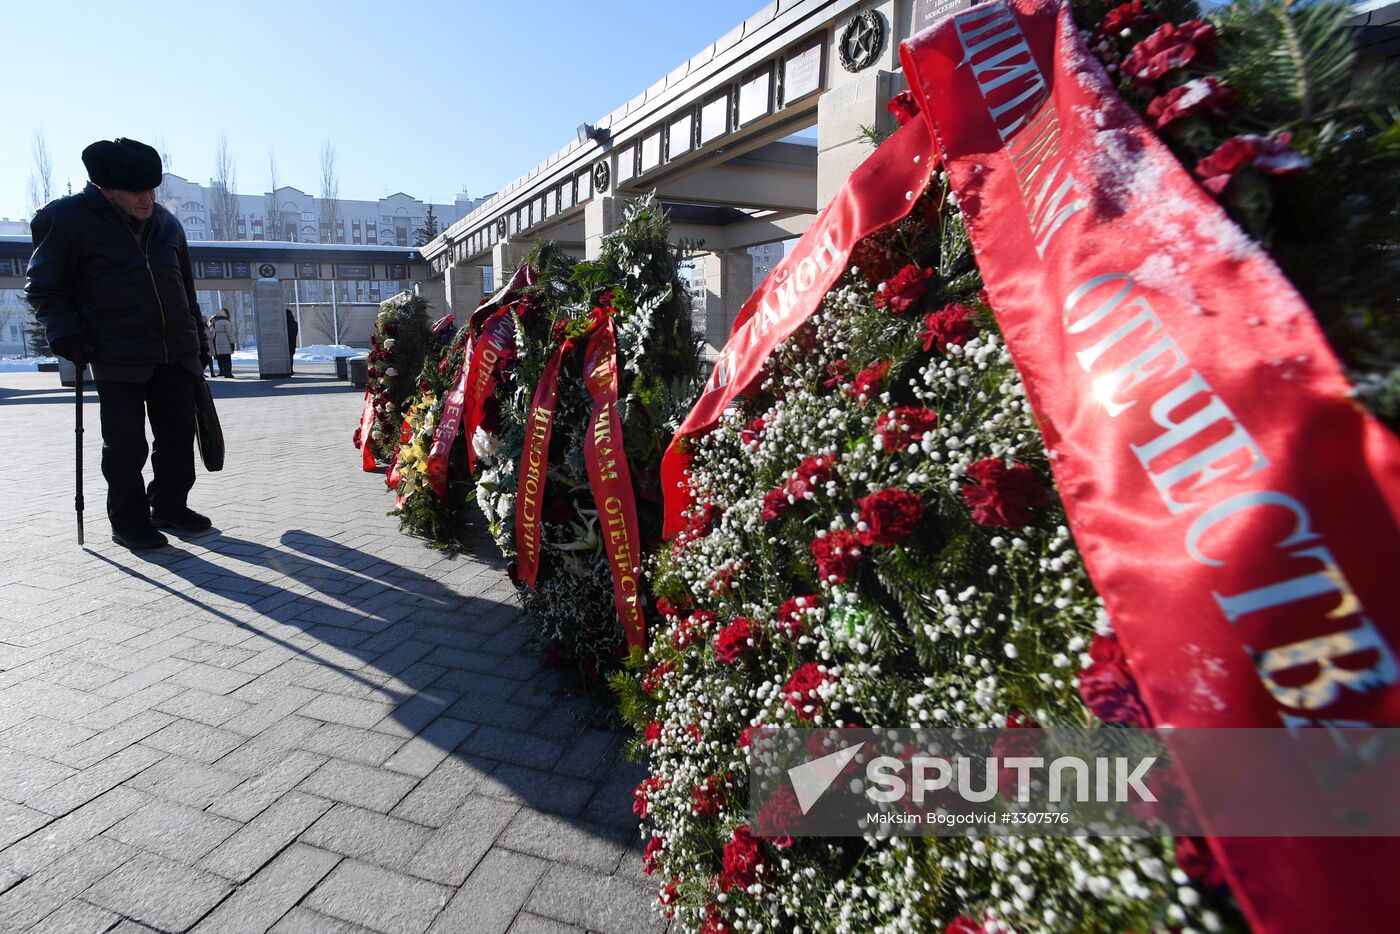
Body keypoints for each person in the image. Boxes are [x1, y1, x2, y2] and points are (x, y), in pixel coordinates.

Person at [26, 137, 214, 551]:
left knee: (179, 439)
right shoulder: (66, 219)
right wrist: (65, 333)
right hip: (116, 352)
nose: (148, 199)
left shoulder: (167, 223)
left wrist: (197, 339)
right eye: (137, 191)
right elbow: (44, 287)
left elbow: (185, 287)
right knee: (126, 445)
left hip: (175, 353)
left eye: (152, 189)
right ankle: (128, 521)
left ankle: (169, 505)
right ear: (105, 188)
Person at [211, 309, 235, 378]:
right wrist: (232, 342)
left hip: (218, 340)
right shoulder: (226, 322)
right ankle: (228, 373)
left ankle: (224, 372)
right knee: (227, 357)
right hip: (225, 340)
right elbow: (229, 333)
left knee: (222, 358)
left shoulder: (216, 322)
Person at [285, 308, 299, 374]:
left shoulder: (284, 324)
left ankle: (286, 369)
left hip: (285, 343)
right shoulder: (295, 323)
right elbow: (296, 333)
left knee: (286, 357)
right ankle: (290, 369)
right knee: (291, 356)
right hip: (292, 343)